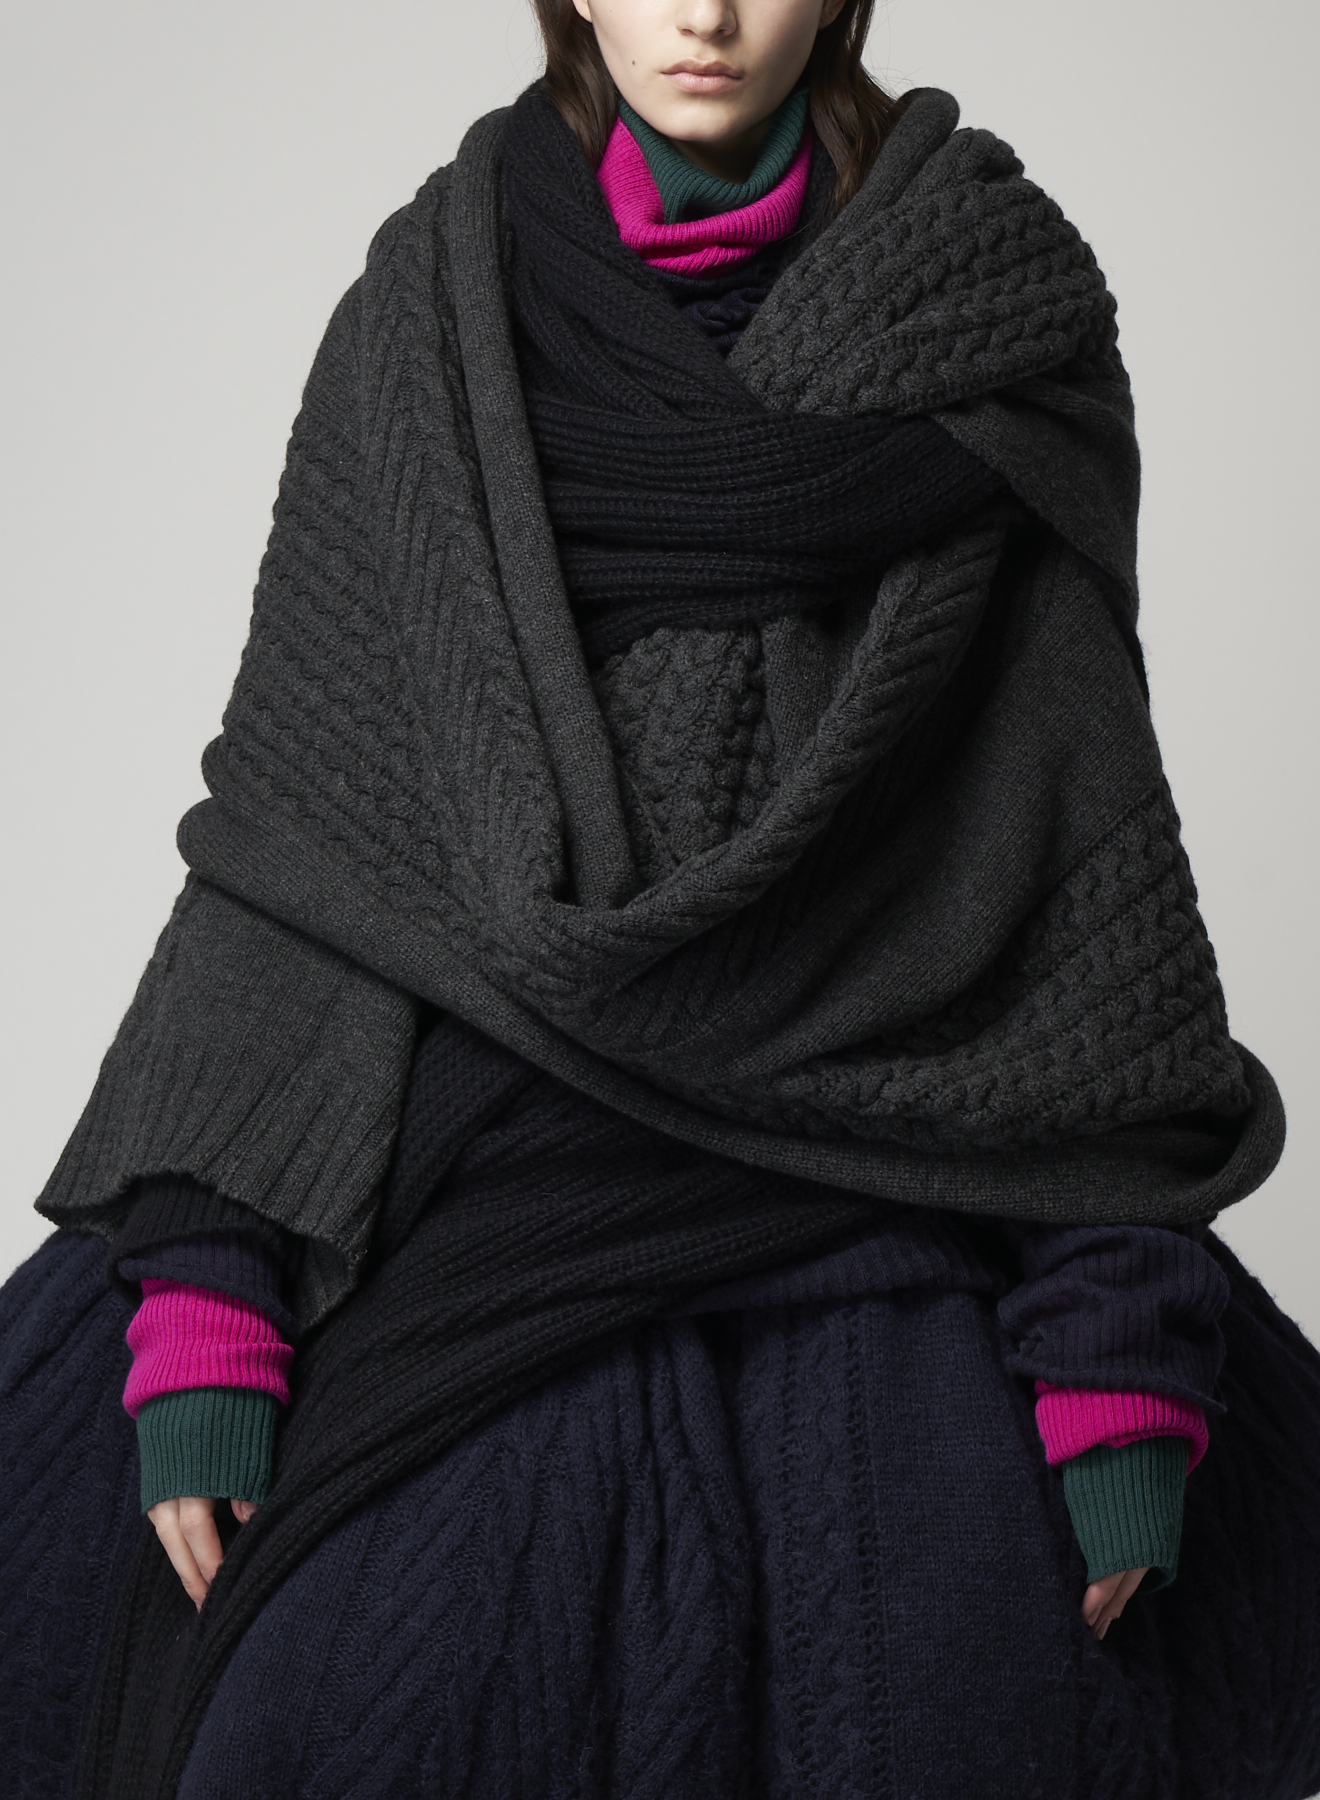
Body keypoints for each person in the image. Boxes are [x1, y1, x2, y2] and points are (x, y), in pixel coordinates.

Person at [3, 0, 1320, 1795]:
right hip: (476, 1184)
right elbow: (311, 833)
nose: (702, 11)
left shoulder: (991, 318)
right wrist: (213, 1292)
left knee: (978, 1715)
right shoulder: (432, 320)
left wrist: (1119, 1343)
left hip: (888, 1192)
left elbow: (1081, 855)